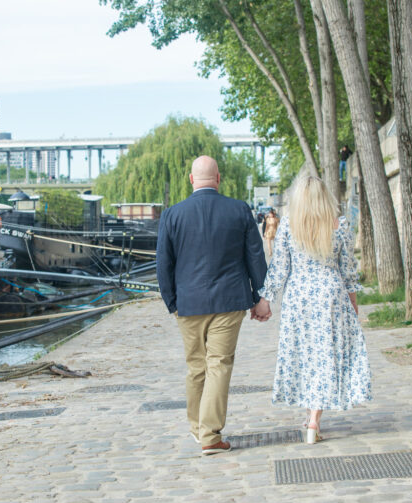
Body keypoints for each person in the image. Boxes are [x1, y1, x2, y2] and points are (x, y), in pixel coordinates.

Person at [156, 155, 269, 456]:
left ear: (191, 180)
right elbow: (255, 257)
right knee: (218, 364)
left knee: (196, 367)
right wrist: (260, 297)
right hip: (229, 301)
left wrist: (172, 303)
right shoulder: (239, 210)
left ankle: (197, 428)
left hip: (188, 304)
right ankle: (210, 435)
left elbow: (163, 265)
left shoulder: (172, 215)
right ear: (218, 179)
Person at [254, 175, 372, 444]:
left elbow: (280, 268)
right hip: (331, 294)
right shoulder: (338, 227)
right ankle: (314, 420)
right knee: (325, 355)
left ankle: (310, 419)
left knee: (306, 356)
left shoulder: (288, 228)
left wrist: (265, 299)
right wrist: (353, 303)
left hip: (298, 297)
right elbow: (348, 270)